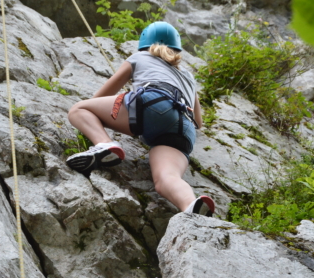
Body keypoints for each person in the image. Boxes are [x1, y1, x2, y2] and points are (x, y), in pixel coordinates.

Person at [65, 21, 215, 217]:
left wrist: (101, 113)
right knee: (165, 179)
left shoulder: (139, 56)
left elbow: (101, 97)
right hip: (184, 127)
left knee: (79, 109)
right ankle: (190, 205)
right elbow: (199, 122)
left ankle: (104, 144)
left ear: (144, 43)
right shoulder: (187, 76)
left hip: (153, 104)